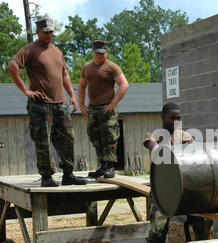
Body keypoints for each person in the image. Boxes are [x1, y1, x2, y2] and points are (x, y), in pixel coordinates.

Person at [141, 102, 214, 243]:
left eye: (179, 117)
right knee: (157, 234)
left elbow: (197, 160)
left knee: (200, 228)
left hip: (187, 193)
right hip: (162, 193)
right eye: (173, 117)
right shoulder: (154, 135)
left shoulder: (187, 137)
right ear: (163, 117)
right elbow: (156, 150)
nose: (176, 121)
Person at [8, 18, 87, 187]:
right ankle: (46, 177)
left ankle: (68, 174)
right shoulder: (29, 50)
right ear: (37, 32)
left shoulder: (57, 51)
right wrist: (26, 91)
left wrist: (71, 95)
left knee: (68, 138)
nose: (50, 35)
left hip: (61, 104)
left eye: (51, 32)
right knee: (43, 140)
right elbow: (12, 66)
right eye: (46, 32)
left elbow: (64, 74)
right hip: (41, 104)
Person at [78, 40, 129, 179]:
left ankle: (110, 167)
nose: (100, 55)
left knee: (109, 136)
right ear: (93, 52)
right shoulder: (87, 67)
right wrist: (82, 105)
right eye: (97, 52)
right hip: (93, 108)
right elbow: (82, 86)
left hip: (107, 108)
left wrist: (113, 103)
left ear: (106, 52)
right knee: (95, 136)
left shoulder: (112, 67)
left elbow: (124, 84)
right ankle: (102, 166)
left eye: (102, 53)